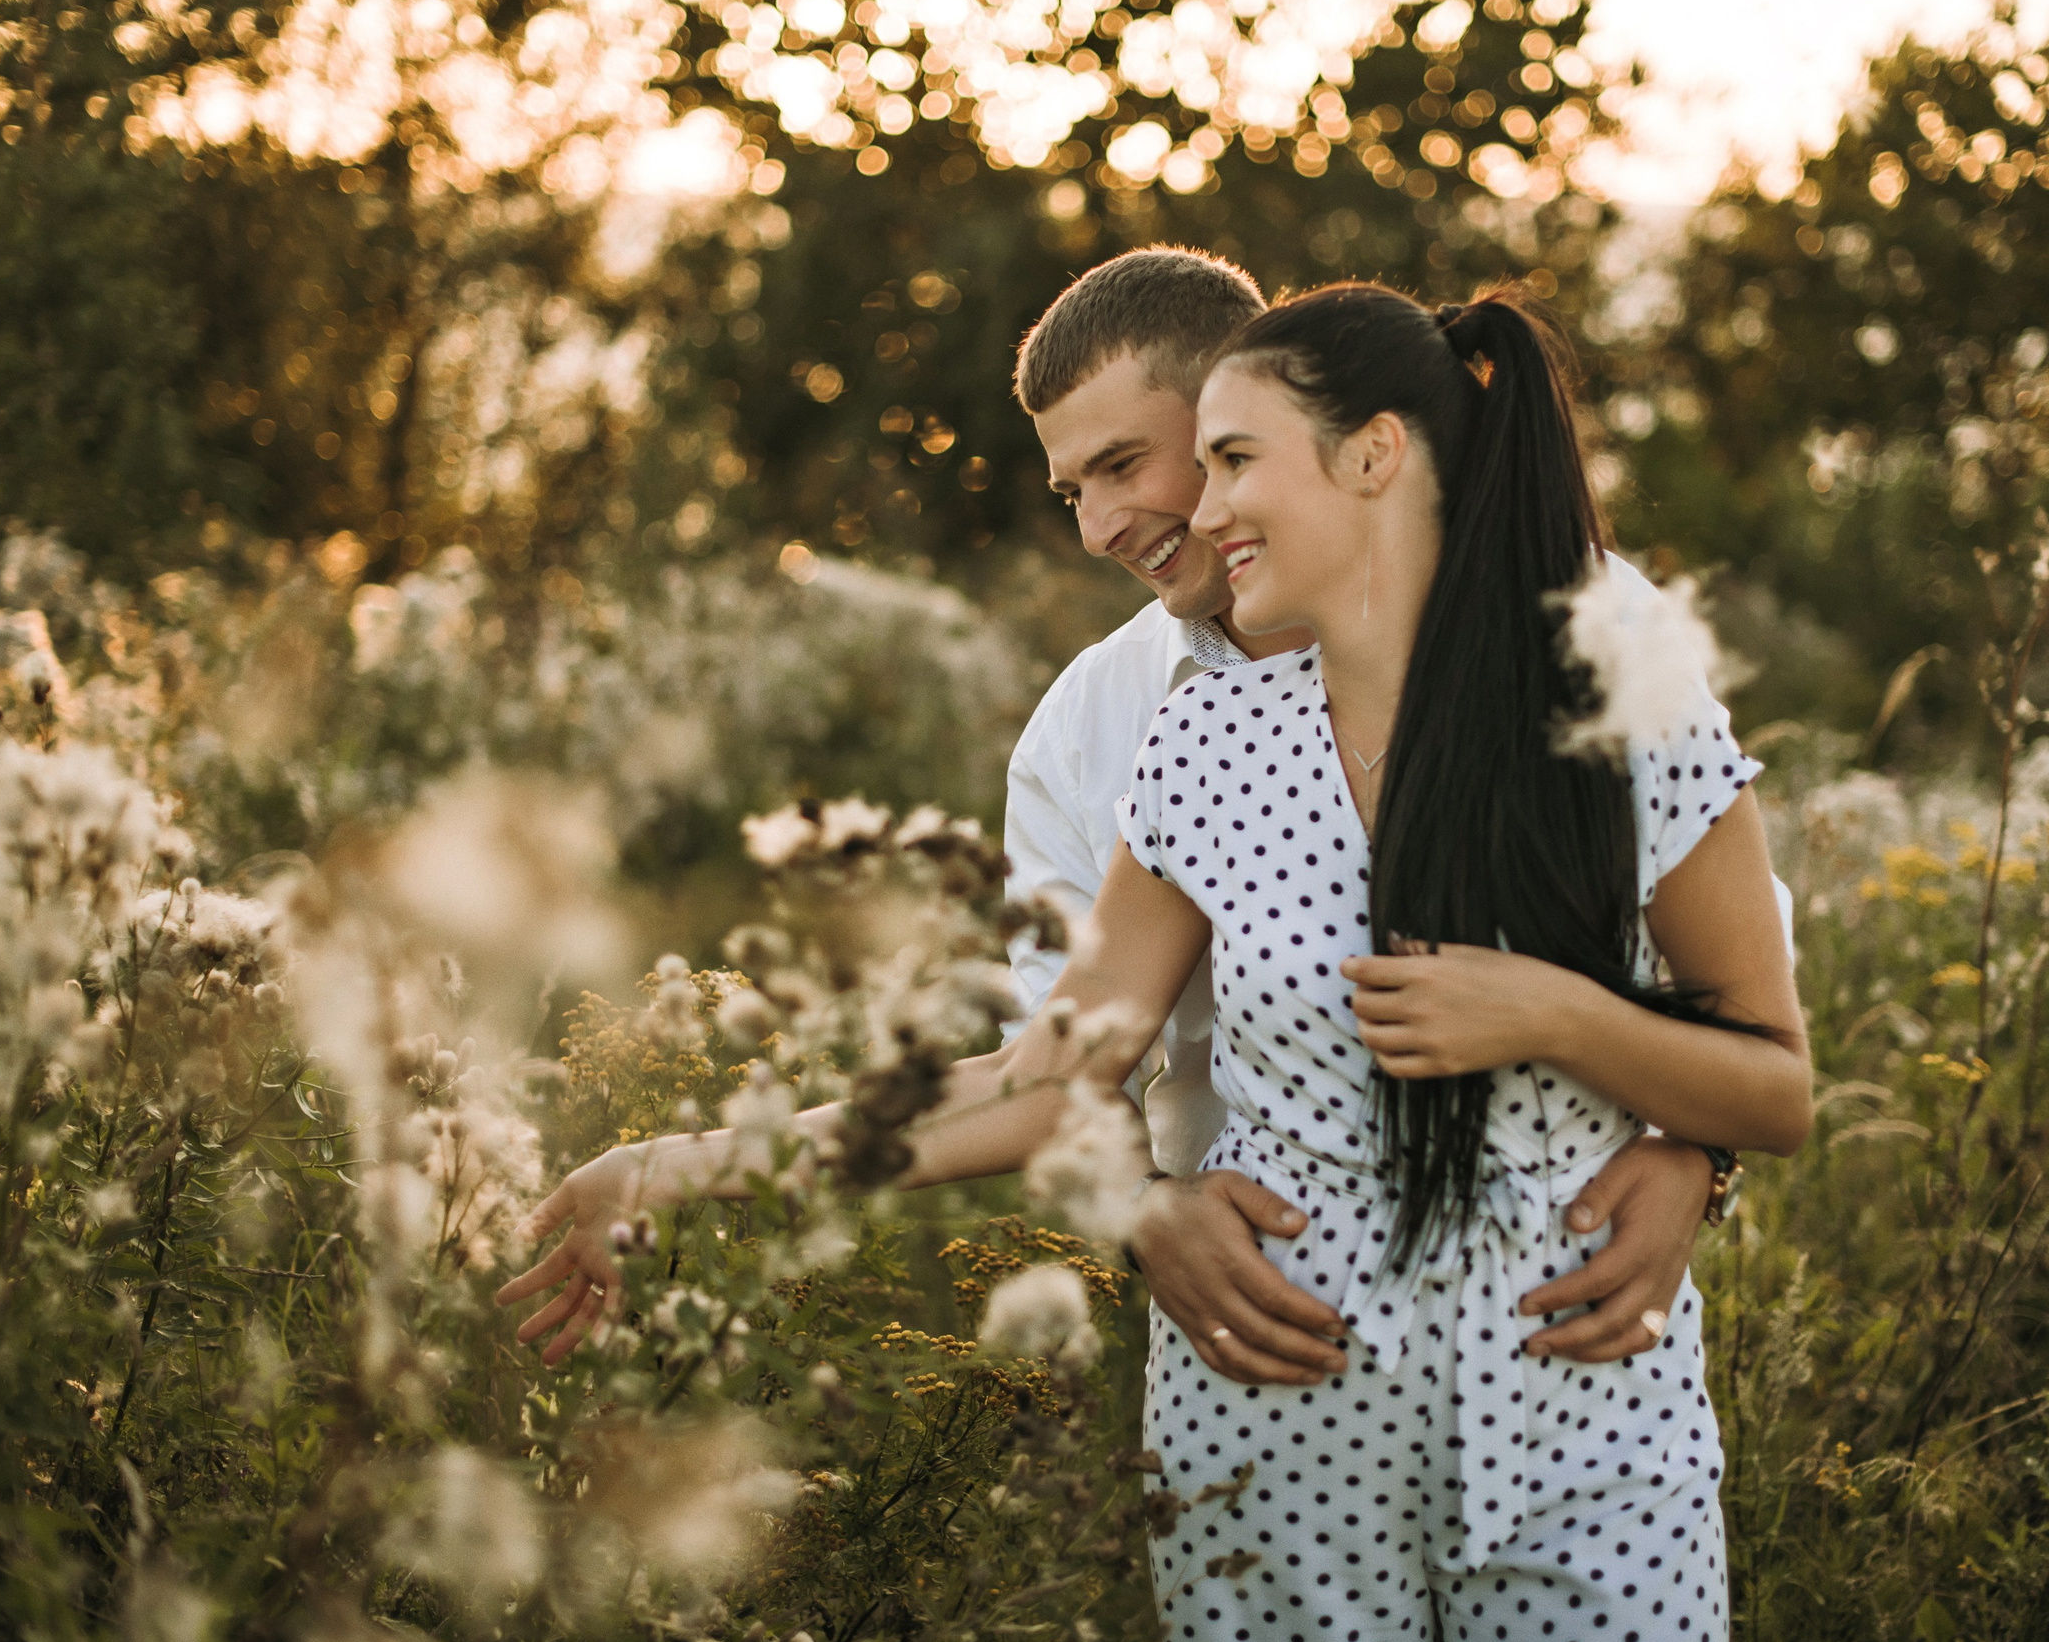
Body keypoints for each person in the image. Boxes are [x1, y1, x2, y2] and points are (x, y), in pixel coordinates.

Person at [502, 252, 1754, 1394]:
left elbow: (1739, 993)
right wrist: (1146, 1208)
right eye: (1070, 491)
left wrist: (1697, 1154)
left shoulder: (1582, 630)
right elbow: (1052, 1083)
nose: (1103, 528)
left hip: (1567, 1348)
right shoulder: (1097, 732)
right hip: (1276, 1349)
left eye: (1123, 466)